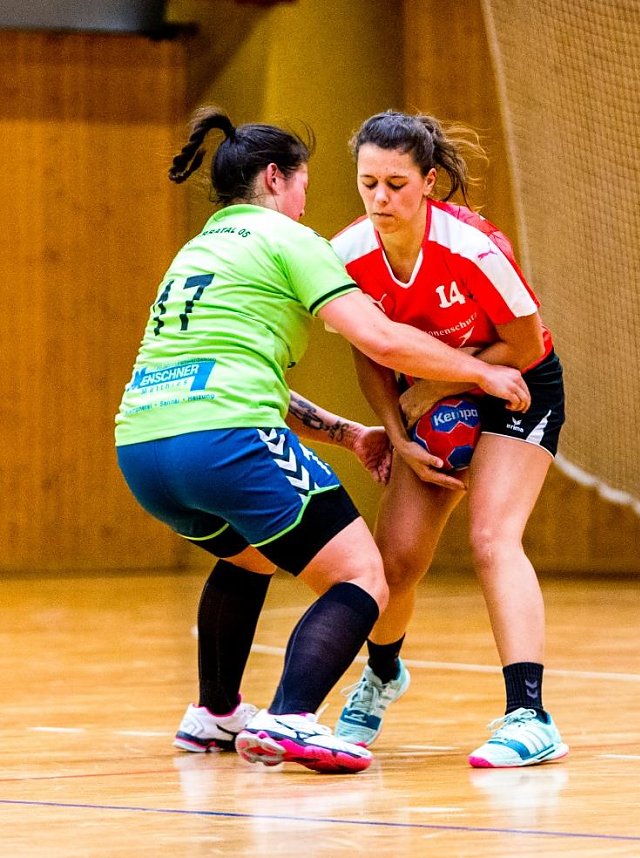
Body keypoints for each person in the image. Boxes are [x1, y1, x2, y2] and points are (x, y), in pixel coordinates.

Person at [115, 106, 530, 775]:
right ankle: (292, 717)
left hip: (143, 447)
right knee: (362, 573)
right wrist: (481, 369)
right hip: (223, 439)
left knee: (248, 555)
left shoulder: (197, 251)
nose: (310, 202)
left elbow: (233, 375)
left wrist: (345, 433)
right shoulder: (287, 239)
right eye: (306, 184)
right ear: (276, 178)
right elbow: (382, 338)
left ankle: (215, 714)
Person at [330, 110, 569, 768]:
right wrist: (396, 432)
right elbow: (367, 348)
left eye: (396, 184)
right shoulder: (347, 253)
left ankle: (530, 715)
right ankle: (381, 677)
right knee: (396, 560)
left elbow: (521, 343)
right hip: (431, 394)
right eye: (368, 183)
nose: (381, 199)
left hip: (516, 383)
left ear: (428, 182)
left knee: (491, 539)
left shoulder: (472, 247)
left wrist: (432, 390)